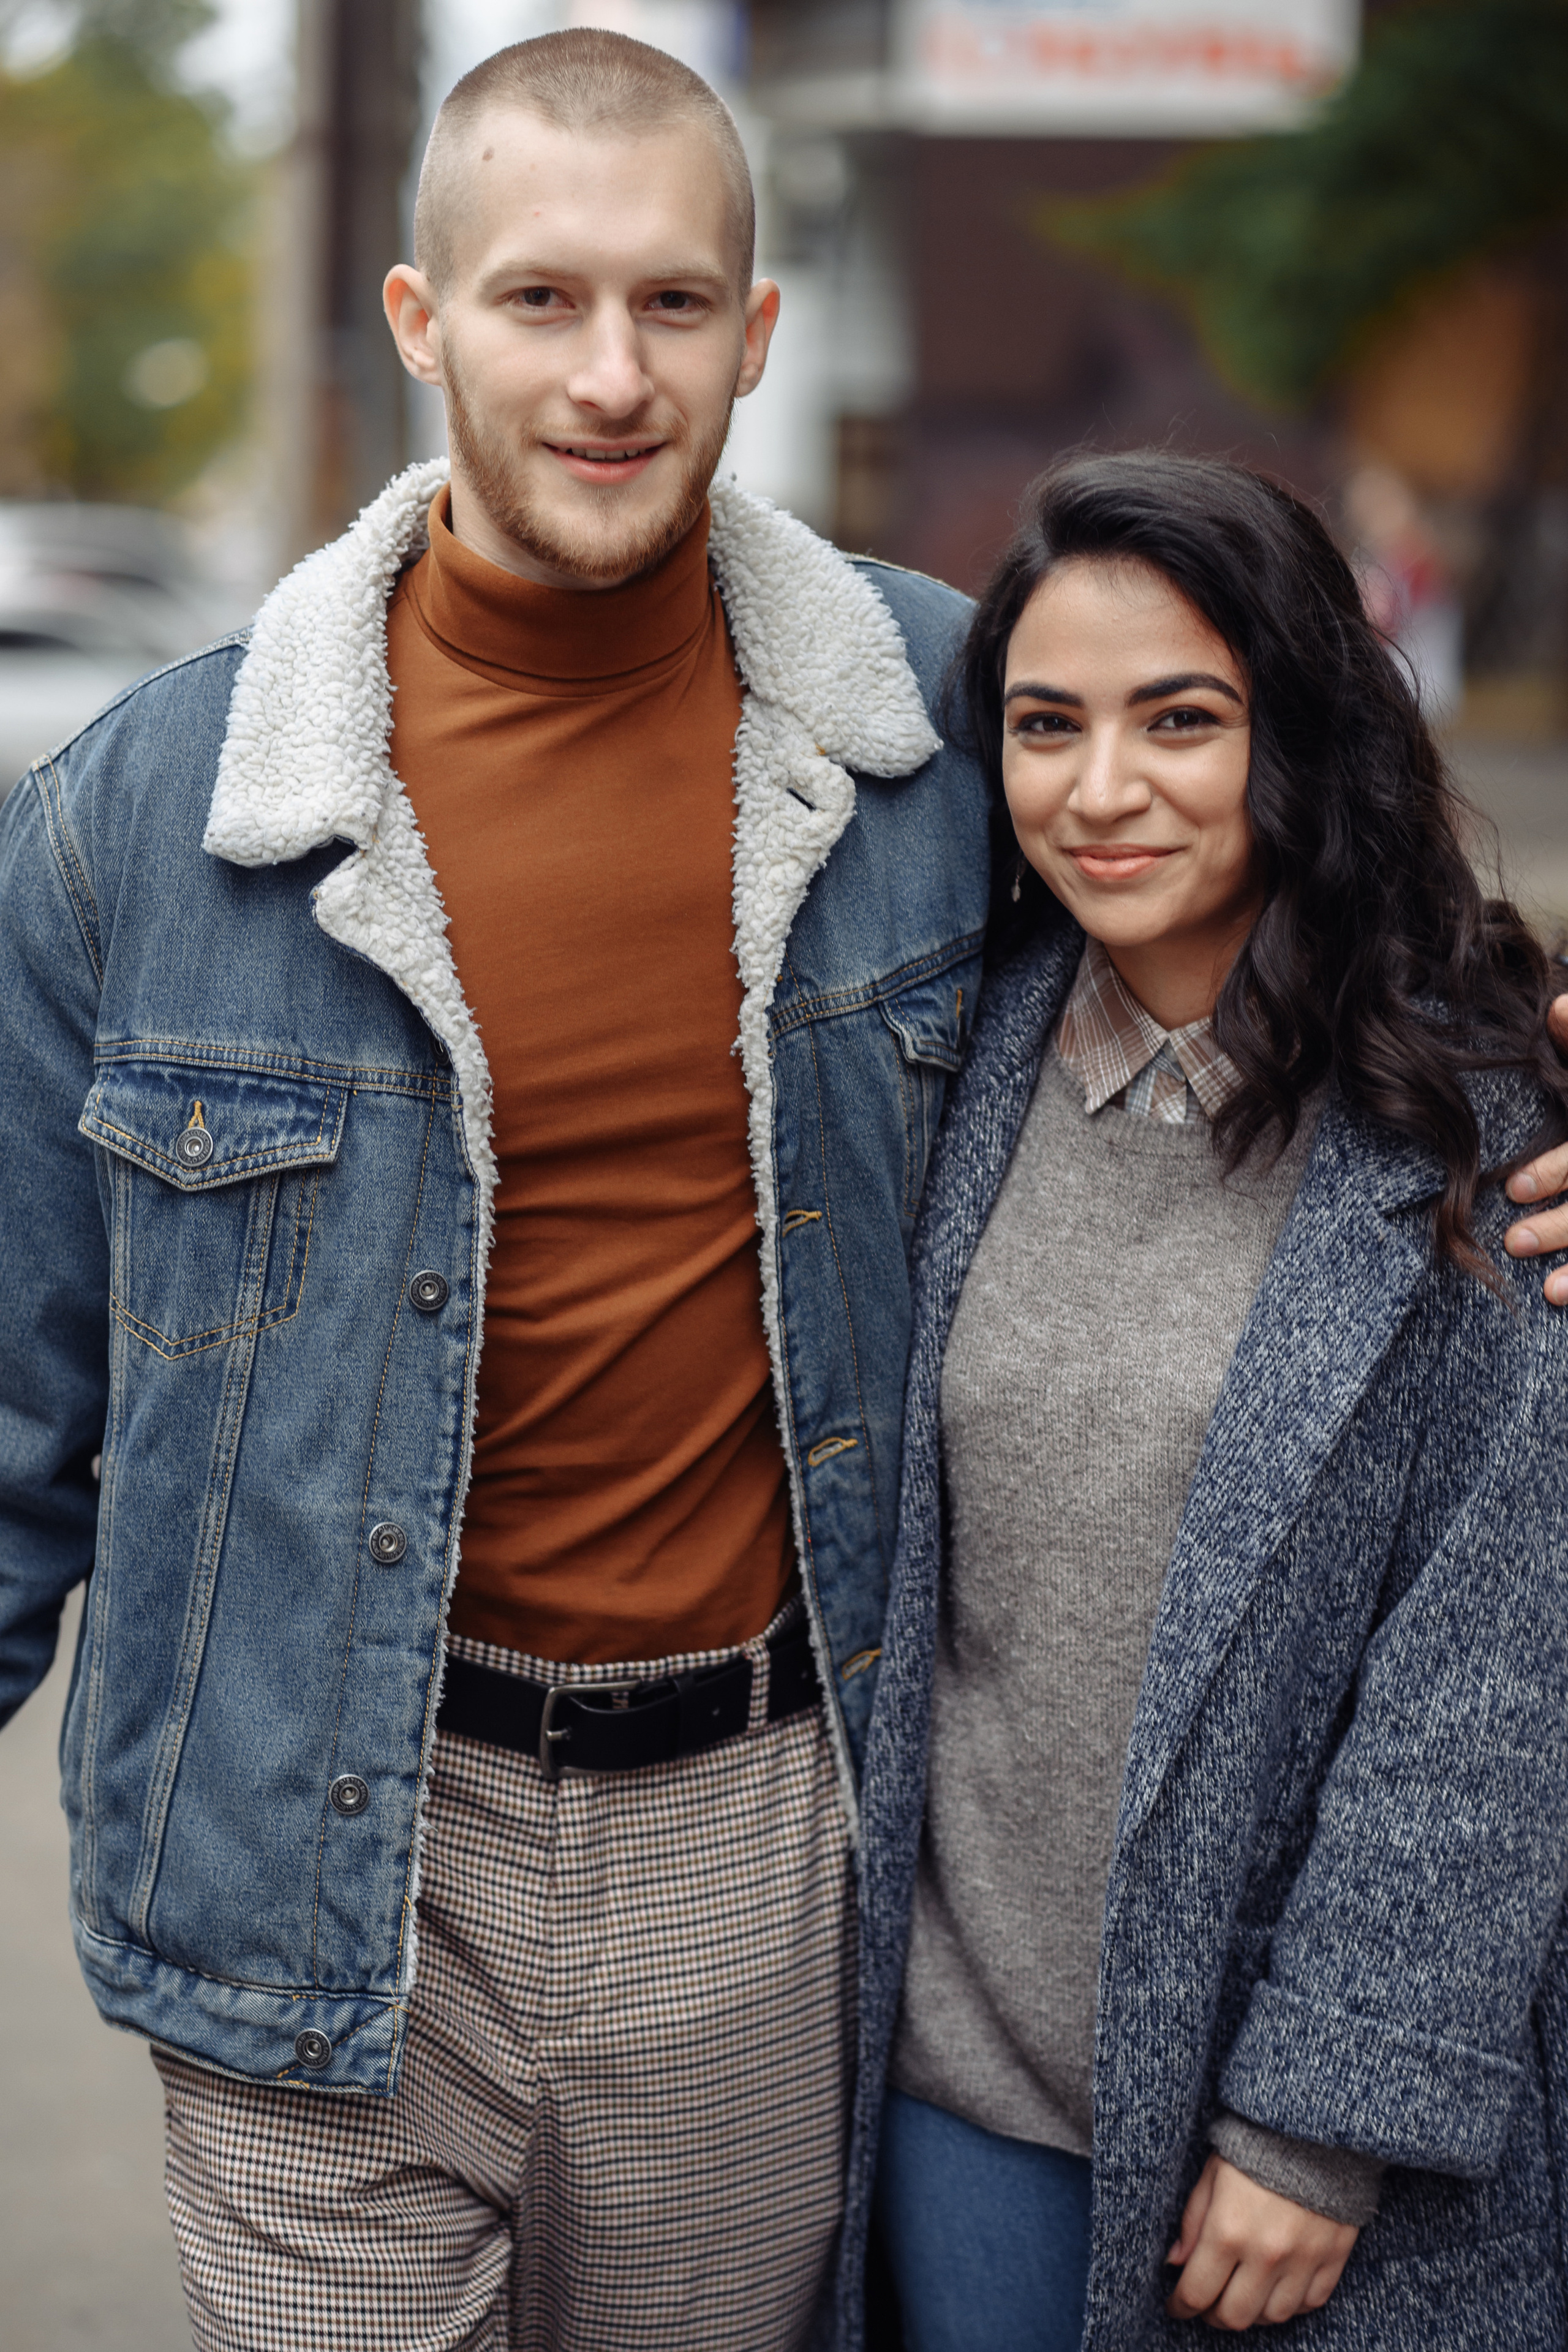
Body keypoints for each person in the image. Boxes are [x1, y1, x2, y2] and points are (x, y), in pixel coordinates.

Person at [0, 30, 992, 2350]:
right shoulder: (140, 822)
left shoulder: (943, 737)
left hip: (754, 1846)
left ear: (757, 338)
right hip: (303, 1843)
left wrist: (1492, 1101)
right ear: (421, 318)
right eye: (541, 300)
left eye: (671, 307)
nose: (611, 374)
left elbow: (1270, 984)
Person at [838, 452, 1568, 2351]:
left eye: (1182, 720)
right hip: (959, 2084)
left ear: (1303, 733)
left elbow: (1498, 1676)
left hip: (1300, 2127)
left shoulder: (1484, 1122)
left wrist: (1329, 2116)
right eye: (1043, 726)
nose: (1102, 790)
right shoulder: (956, 1057)